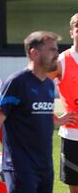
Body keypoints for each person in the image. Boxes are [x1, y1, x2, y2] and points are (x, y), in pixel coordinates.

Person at [0, 31, 62, 193]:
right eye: (52, 50)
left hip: (45, 169)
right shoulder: (16, 83)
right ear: (34, 53)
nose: (57, 54)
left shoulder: (48, 85)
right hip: (21, 168)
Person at [49, 13, 78, 193]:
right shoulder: (62, 60)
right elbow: (36, 88)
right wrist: (55, 119)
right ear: (71, 32)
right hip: (73, 135)